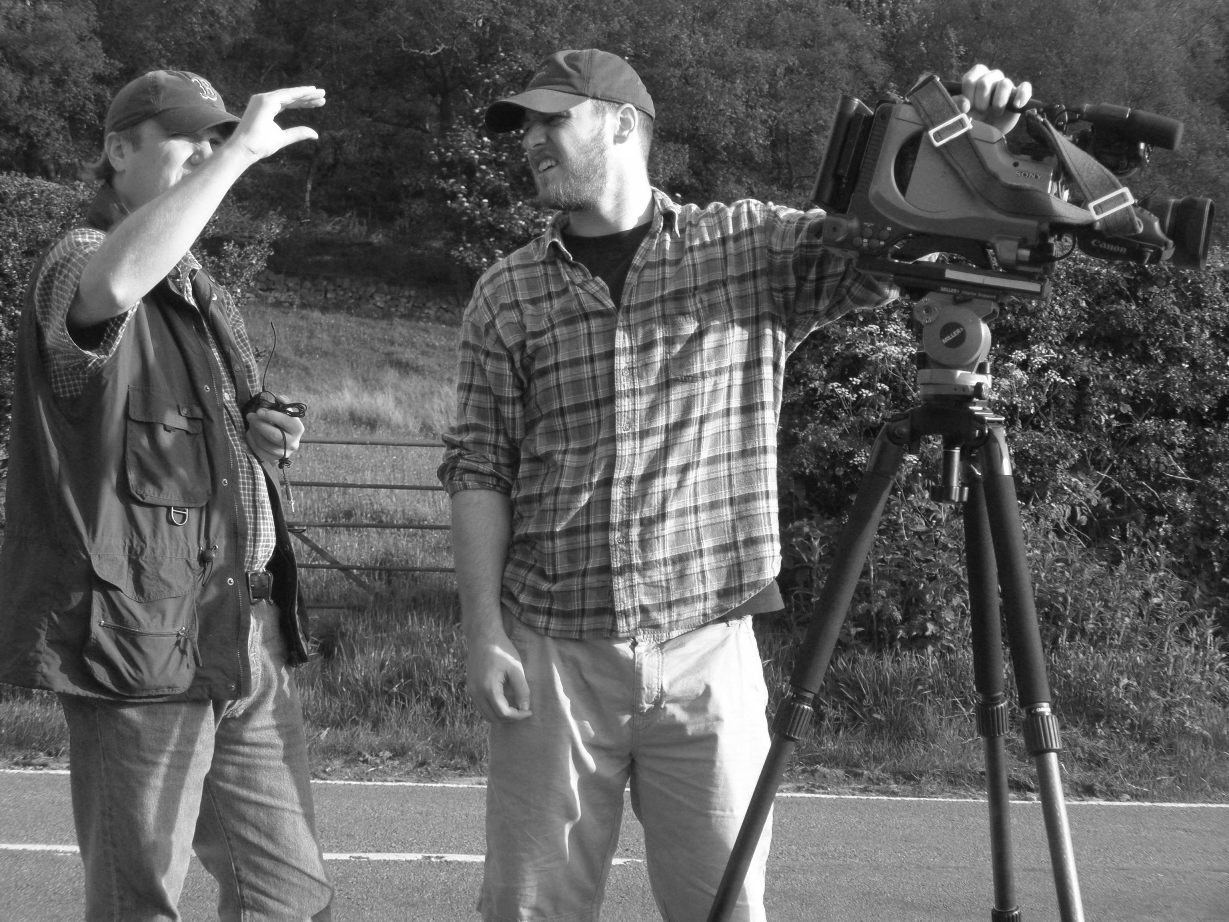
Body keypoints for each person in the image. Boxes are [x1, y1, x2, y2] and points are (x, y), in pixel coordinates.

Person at [438, 48, 1032, 922]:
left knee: (724, 909)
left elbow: (895, 243)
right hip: (554, 656)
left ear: (621, 123)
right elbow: (478, 467)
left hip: (709, 655)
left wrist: (977, 139)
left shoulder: (746, 246)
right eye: (522, 125)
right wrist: (483, 631)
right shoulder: (506, 292)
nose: (529, 140)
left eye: (549, 119)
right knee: (528, 912)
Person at [0, 70, 333, 921]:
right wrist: (244, 156)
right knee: (140, 900)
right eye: (192, 139)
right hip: (143, 639)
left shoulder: (201, 290)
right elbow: (110, 292)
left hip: (241, 627)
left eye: (219, 140)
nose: (211, 155)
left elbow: (201, 420)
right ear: (119, 151)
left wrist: (257, 426)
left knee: (290, 898)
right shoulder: (77, 256)